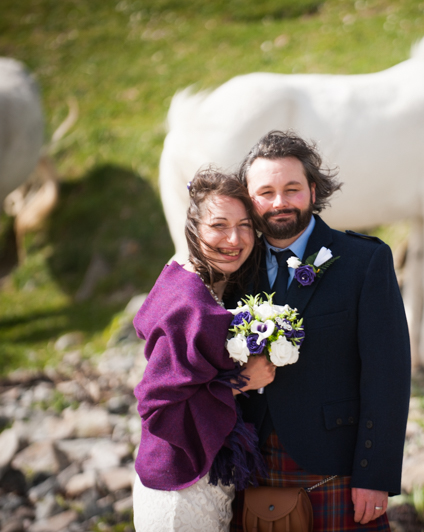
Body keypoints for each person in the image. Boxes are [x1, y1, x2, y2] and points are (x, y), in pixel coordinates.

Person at [232, 130, 412, 531]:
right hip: (255, 470)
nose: (279, 203)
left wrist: (374, 477)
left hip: (340, 471)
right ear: (249, 199)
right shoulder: (236, 269)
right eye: (266, 192)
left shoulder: (364, 261)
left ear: (313, 191)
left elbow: (388, 377)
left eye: (292, 189)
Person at [132, 167, 277, 532]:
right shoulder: (192, 306)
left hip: (198, 477)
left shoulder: (184, 276)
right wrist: (242, 382)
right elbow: (157, 406)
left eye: (245, 225)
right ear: (194, 228)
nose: (234, 238)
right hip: (180, 492)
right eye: (219, 225)